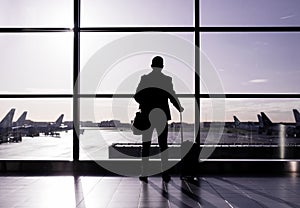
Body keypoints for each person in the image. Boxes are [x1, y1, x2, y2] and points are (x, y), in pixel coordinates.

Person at [134, 56, 184, 183]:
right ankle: (165, 174)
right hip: (161, 116)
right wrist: (179, 107)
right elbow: (172, 96)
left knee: (146, 145)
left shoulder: (145, 79)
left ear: (152, 65)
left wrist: (145, 103)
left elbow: (137, 95)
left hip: (147, 115)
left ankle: (144, 173)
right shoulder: (166, 80)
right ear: (162, 66)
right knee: (163, 145)